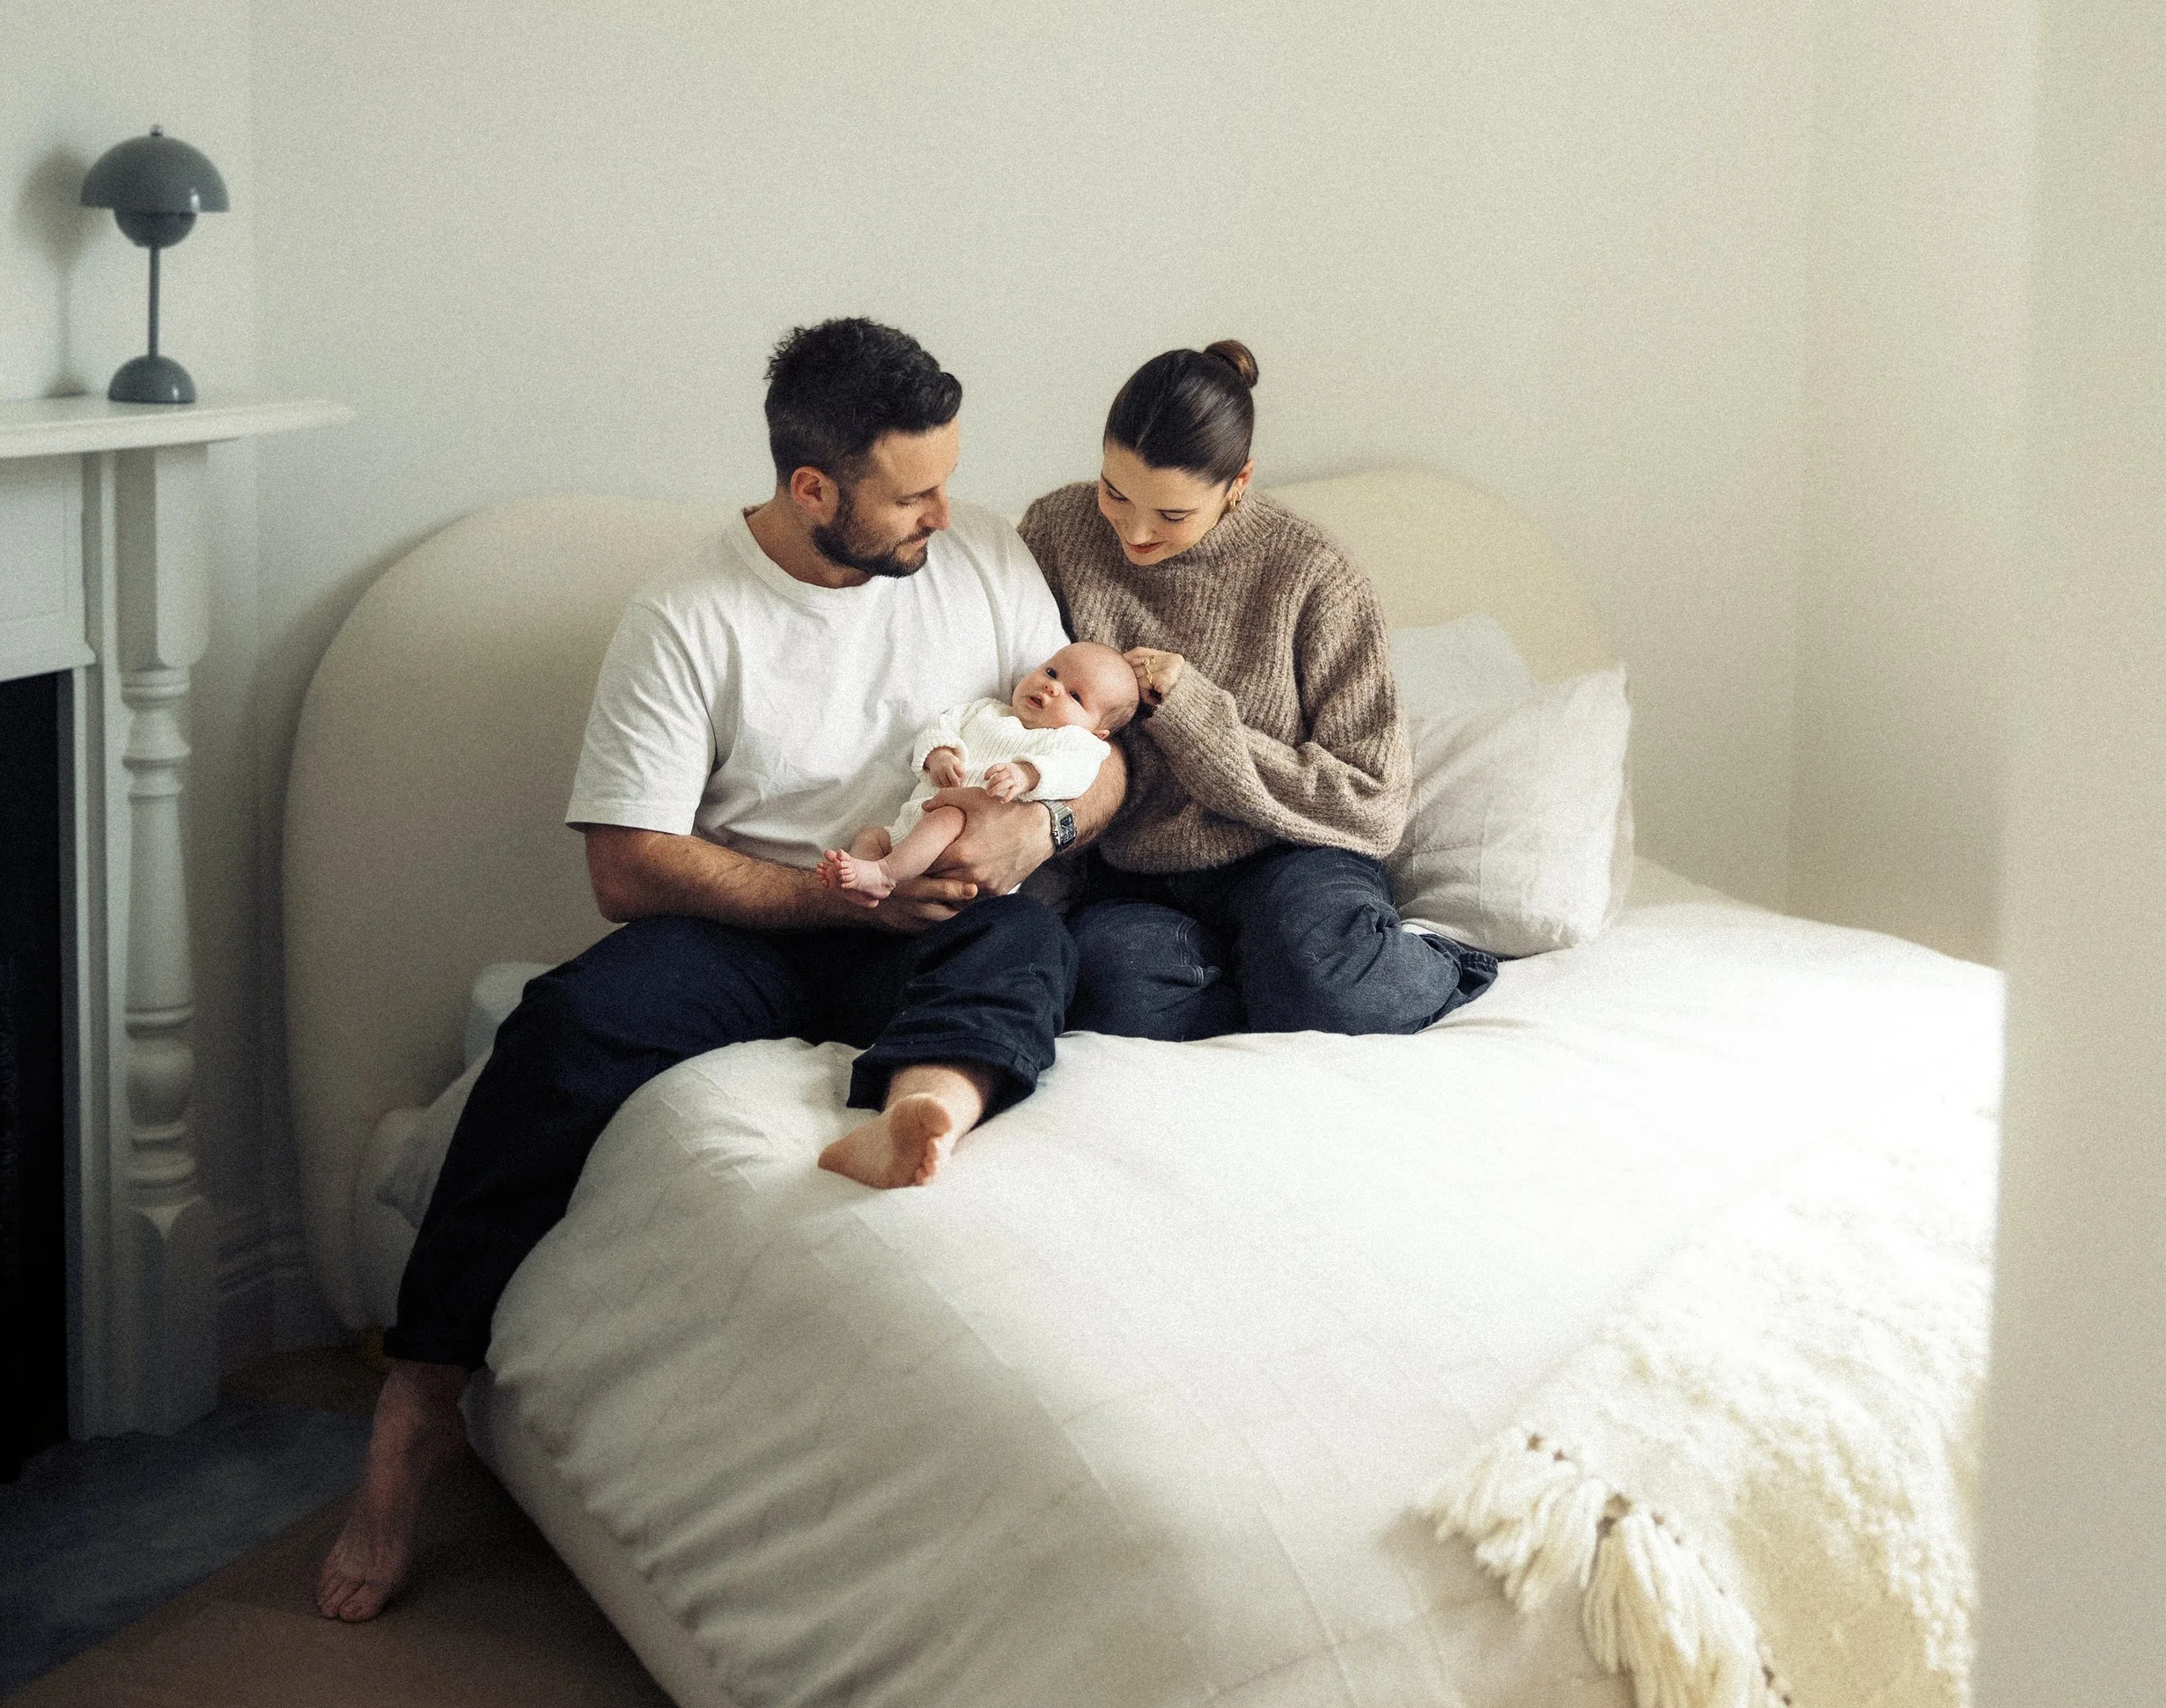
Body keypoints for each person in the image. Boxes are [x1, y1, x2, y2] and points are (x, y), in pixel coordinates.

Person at [317, 318, 1125, 1623]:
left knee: (1030, 941)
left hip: (926, 913)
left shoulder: (981, 554)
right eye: (910, 490)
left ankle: (924, 1107)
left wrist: (1042, 827)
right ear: (814, 489)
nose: (943, 510)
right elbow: (628, 866)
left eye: (946, 476)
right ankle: (417, 1396)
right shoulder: (689, 614)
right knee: (565, 1027)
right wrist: (824, 897)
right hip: (760, 926)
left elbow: (1097, 755)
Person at [1020, 338, 1496, 1040]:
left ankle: (1435, 967)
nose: (1134, 529)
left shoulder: (1316, 577)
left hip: (1291, 859)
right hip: (1136, 871)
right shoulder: (1058, 532)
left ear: (1238, 482)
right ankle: (1263, 976)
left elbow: (1372, 804)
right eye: (1115, 491)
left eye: (1173, 515)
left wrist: (1193, 715)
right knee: (1108, 996)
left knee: (1328, 988)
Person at [818, 641, 1140, 906]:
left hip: (967, 842)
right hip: (908, 828)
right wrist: (940, 754)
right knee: (871, 836)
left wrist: (1028, 775)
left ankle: (885, 874)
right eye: (1051, 671)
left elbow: (1075, 772)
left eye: (1075, 696)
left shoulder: (1076, 742)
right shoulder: (986, 710)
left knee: (947, 816)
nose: (1052, 686)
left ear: (1098, 732)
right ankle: (863, 883)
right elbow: (942, 727)